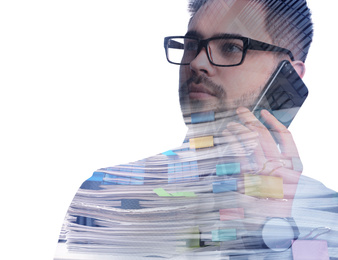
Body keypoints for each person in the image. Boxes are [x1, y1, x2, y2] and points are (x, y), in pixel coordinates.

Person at [54, 0, 338, 259]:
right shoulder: (106, 193)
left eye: (231, 47)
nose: (197, 63)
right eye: (192, 45)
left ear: (288, 73)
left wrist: (270, 234)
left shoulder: (327, 216)